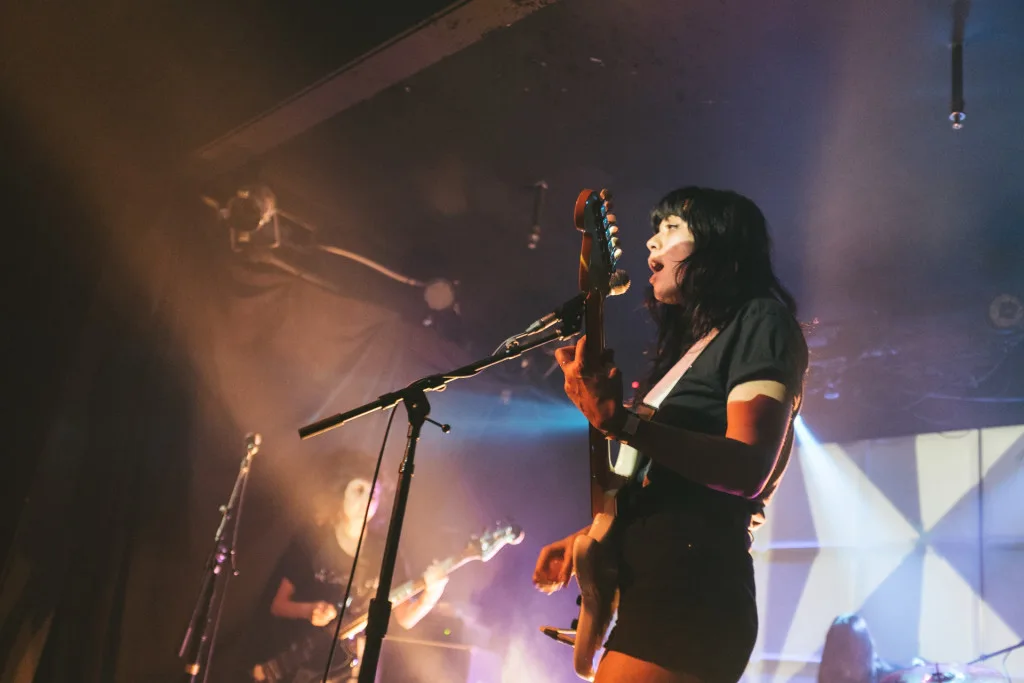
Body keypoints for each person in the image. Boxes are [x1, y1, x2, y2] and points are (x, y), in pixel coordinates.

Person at [533, 186, 809, 683]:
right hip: (655, 585)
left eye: (671, 229)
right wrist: (590, 539)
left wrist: (622, 423)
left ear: (717, 247)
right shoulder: (691, 350)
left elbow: (747, 468)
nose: (651, 244)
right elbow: (668, 486)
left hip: (693, 591)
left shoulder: (761, 320)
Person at [244, 457, 449, 683]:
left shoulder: (386, 551)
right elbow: (278, 605)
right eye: (358, 490)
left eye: (374, 494)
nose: (367, 501)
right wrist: (309, 610)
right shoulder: (311, 542)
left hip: (349, 669)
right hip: (301, 665)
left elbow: (406, 618)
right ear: (340, 493)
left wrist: (431, 594)